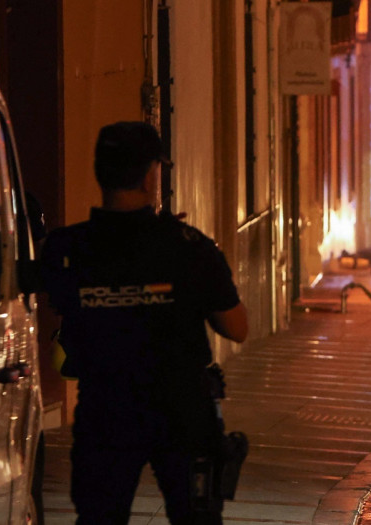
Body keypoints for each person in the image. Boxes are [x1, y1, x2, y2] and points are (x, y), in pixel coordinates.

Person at [40, 121, 248, 525]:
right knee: (196, 517)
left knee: (99, 516)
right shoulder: (189, 247)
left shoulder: (67, 248)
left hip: (105, 408)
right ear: (152, 174)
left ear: (101, 171)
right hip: (182, 408)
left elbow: (52, 304)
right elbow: (236, 327)